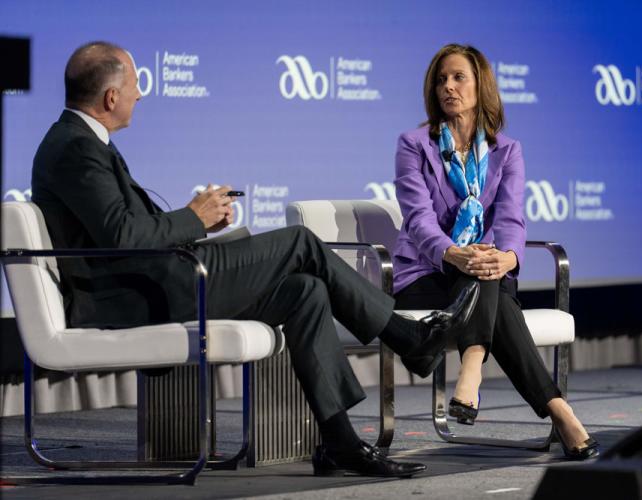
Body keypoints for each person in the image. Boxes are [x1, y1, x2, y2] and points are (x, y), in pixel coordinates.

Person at [31, 41, 480, 477]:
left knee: (305, 291)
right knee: (300, 243)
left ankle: (339, 442)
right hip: (134, 298)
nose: (140, 93)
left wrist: (197, 221)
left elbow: (122, 229)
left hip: (156, 279)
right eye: (134, 86)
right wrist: (192, 218)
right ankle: (407, 337)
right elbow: (123, 236)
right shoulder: (76, 146)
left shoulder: (84, 141)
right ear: (111, 97)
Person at [391, 44, 599, 460]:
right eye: (440, 79)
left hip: (480, 275)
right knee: (481, 267)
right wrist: (455, 254)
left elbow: (510, 219)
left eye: (458, 77)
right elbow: (418, 221)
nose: (447, 87)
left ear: (480, 84)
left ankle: (473, 366)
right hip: (423, 276)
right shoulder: (415, 144)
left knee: (487, 262)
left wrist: (509, 257)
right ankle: (557, 409)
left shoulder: (508, 150)